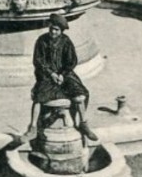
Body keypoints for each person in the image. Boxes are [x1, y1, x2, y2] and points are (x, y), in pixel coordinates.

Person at [22, 13, 98, 142]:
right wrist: (51, 73)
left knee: (80, 95)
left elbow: (72, 61)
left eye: (56, 30)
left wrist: (62, 74)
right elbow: (38, 61)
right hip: (46, 76)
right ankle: (33, 128)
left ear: (61, 31)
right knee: (39, 98)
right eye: (51, 28)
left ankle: (83, 124)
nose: (53, 31)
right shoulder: (42, 40)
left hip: (65, 75)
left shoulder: (66, 41)